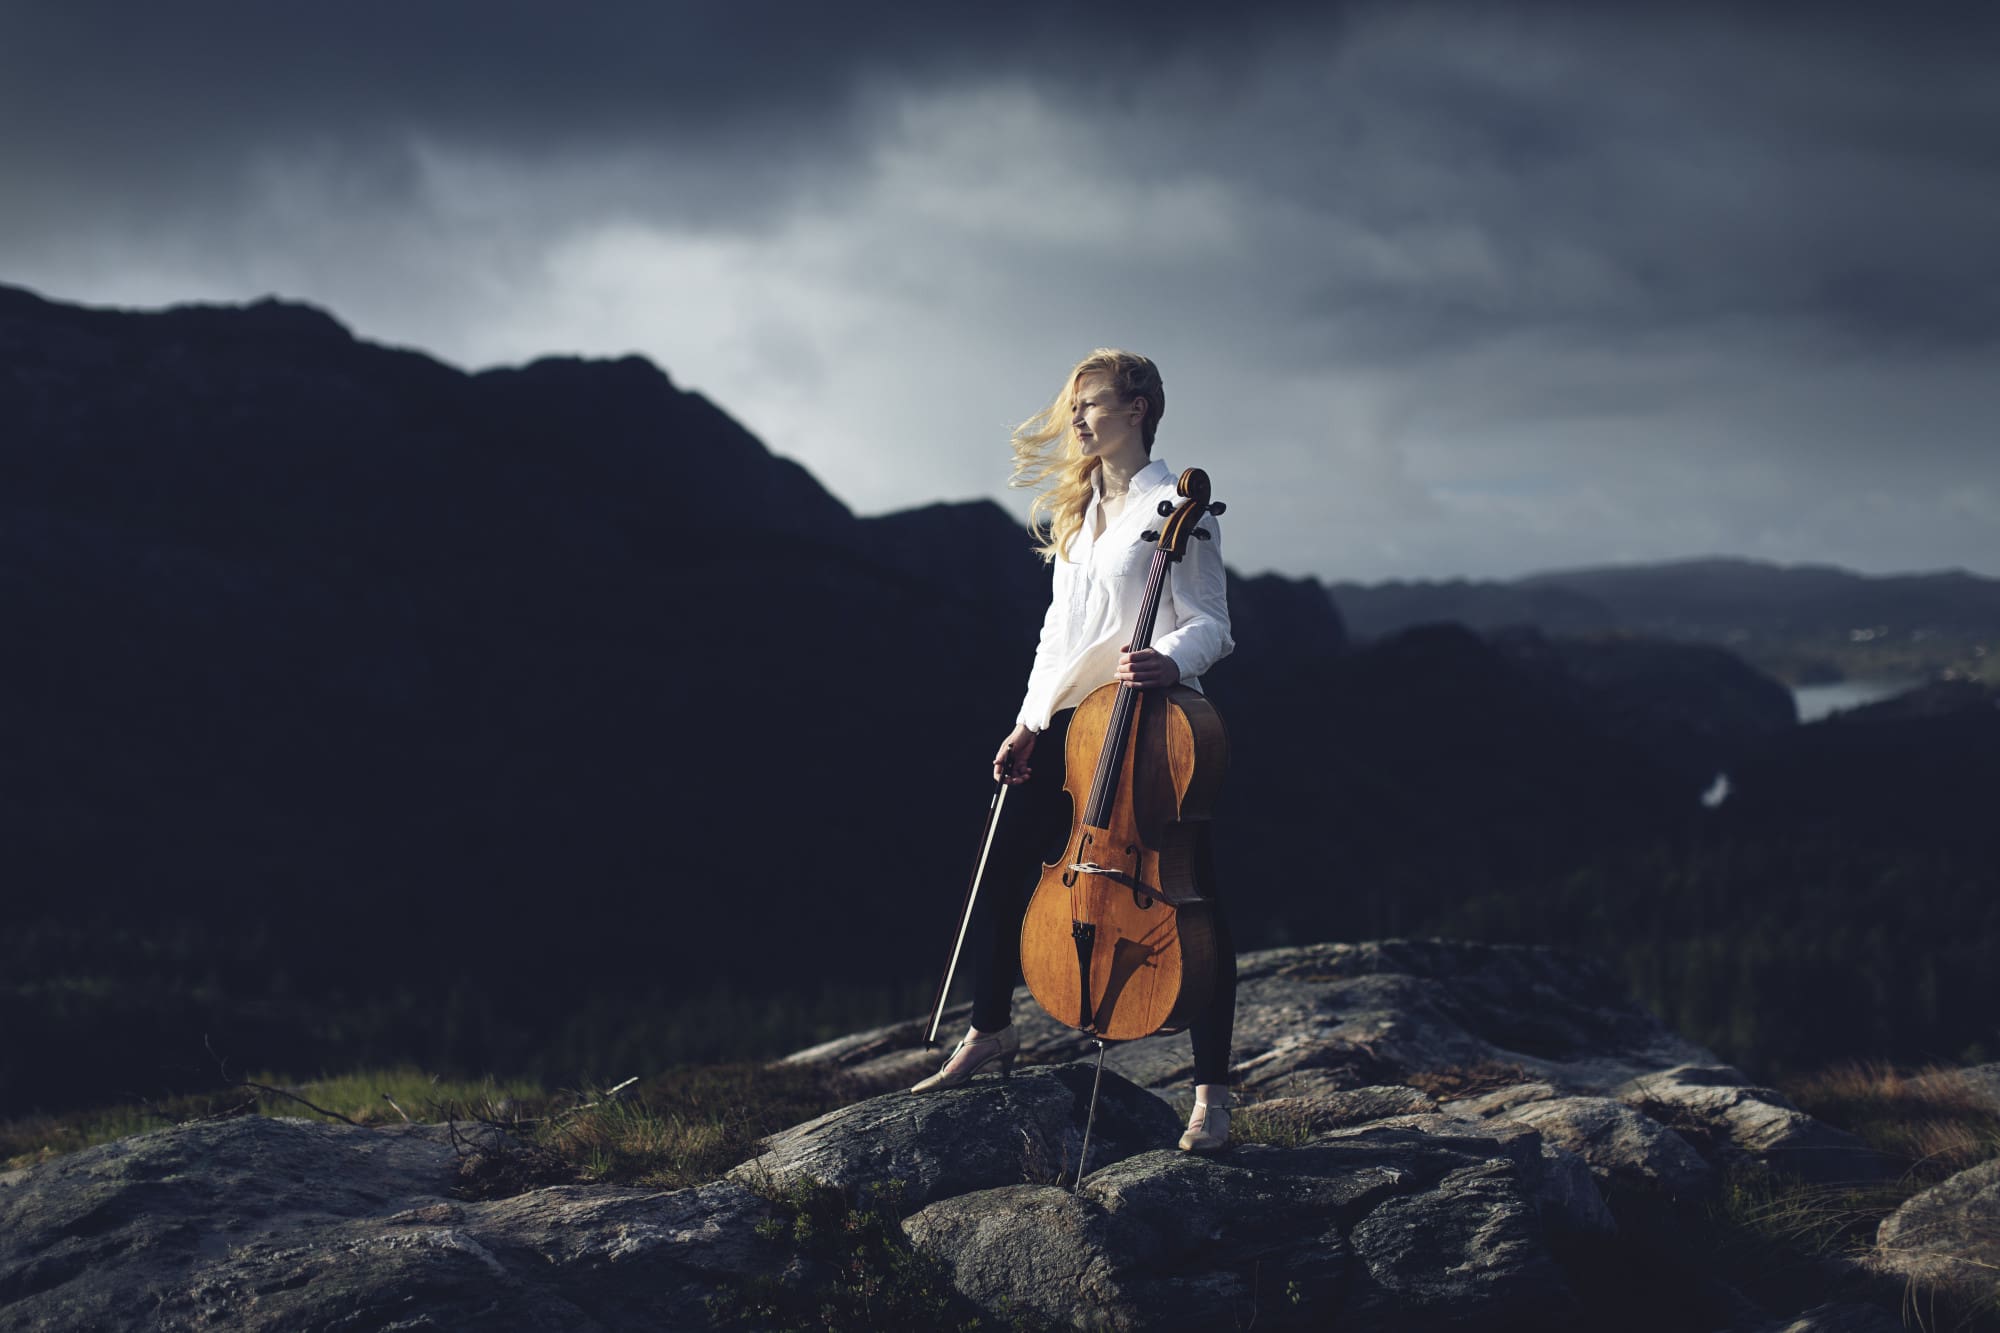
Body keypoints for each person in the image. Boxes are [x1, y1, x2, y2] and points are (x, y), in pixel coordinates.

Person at [910, 348, 1239, 1153]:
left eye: (1090, 404)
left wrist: (1172, 658)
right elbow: (1057, 634)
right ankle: (990, 1029)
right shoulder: (1077, 510)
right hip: (1068, 724)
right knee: (1002, 864)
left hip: (1146, 720)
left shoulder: (1177, 505)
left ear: (1139, 406)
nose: (1078, 420)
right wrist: (1028, 719)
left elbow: (1214, 625)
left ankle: (1213, 1093)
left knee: (1194, 895)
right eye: (1075, 407)